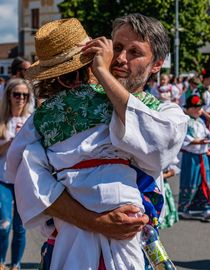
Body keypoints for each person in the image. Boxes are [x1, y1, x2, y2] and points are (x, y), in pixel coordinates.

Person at [6, 15, 188, 269]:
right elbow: (29, 180)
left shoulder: (166, 114)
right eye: (118, 47)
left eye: (135, 52)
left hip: (132, 247)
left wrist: (102, 72)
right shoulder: (49, 116)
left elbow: (157, 146)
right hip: (70, 246)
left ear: (156, 64)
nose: (122, 58)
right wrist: (95, 222)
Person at [0, 78, 33, 270]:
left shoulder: (31, 120)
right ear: (9, 96)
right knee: (4, 223)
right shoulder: (2, 121)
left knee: (21, 227)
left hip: (23, 180)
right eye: (17, 94)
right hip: (3, 179)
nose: (21, 98)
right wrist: (13, 140)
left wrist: (25, 138)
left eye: (25, 95)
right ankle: (1, 261)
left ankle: (16, 264)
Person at [178, 94, 210, 221]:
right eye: (194, 107)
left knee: (205, 181)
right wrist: (199, 142)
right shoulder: (185, 121)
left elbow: (206, 135)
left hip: (202, 156)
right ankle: (185, 208)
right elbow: (185, 139)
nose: (198, 110)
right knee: (190, 181)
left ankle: (206, 208)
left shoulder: (200, 121)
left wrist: (209, 138)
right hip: (191, 157)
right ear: (188, 109)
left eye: (199, 107)